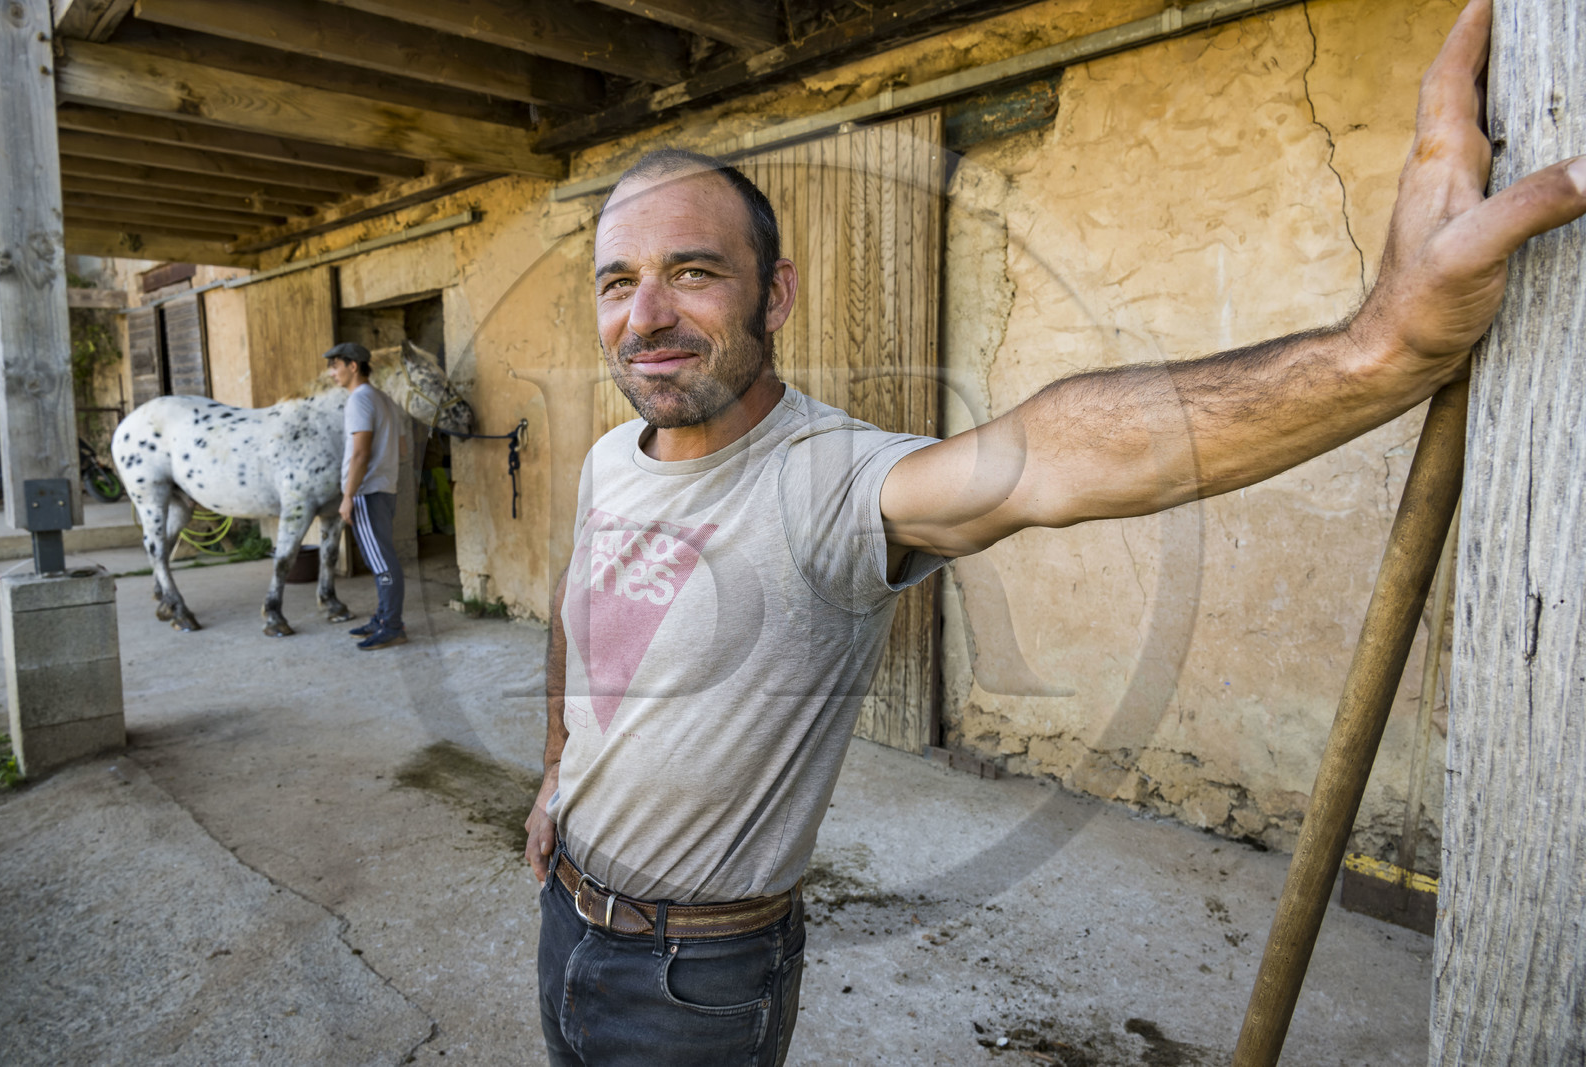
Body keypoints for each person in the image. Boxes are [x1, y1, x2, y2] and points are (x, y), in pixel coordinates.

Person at [523, 2, 1586, 1062]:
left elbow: (1052, 457)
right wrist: (557, 774)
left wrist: (1379, 348)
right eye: (619, 281)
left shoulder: (831, 481)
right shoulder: (611, 458)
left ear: (776, 294)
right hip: (563, 913)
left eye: (692, 271)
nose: (646, 314)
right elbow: (588, 614)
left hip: (693, 978)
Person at [325, 341, 408, 651]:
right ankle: (383, 617)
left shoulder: (359, 400)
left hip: (367, 491)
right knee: (381, 557)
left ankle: (392, 626)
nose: (332, 373)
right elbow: (401, 449)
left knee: (382, 562)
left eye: (335, 366)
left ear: (353, 366)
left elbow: (360, 453)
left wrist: (348, 495)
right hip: (384, 488)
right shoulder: (384, 399)